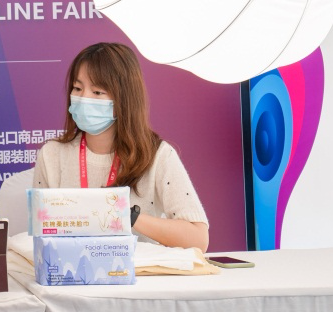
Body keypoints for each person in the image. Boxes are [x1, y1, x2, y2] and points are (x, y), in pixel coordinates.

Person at [31, 42, 210, 251]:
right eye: (77, 88)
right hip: (71, 268)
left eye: (97, 92)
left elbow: (198, 239)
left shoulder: (157, 155)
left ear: (125, 99)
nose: (83, 98)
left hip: (137, 270)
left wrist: (127, 215)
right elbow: (39, 236)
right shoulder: (51, 155)